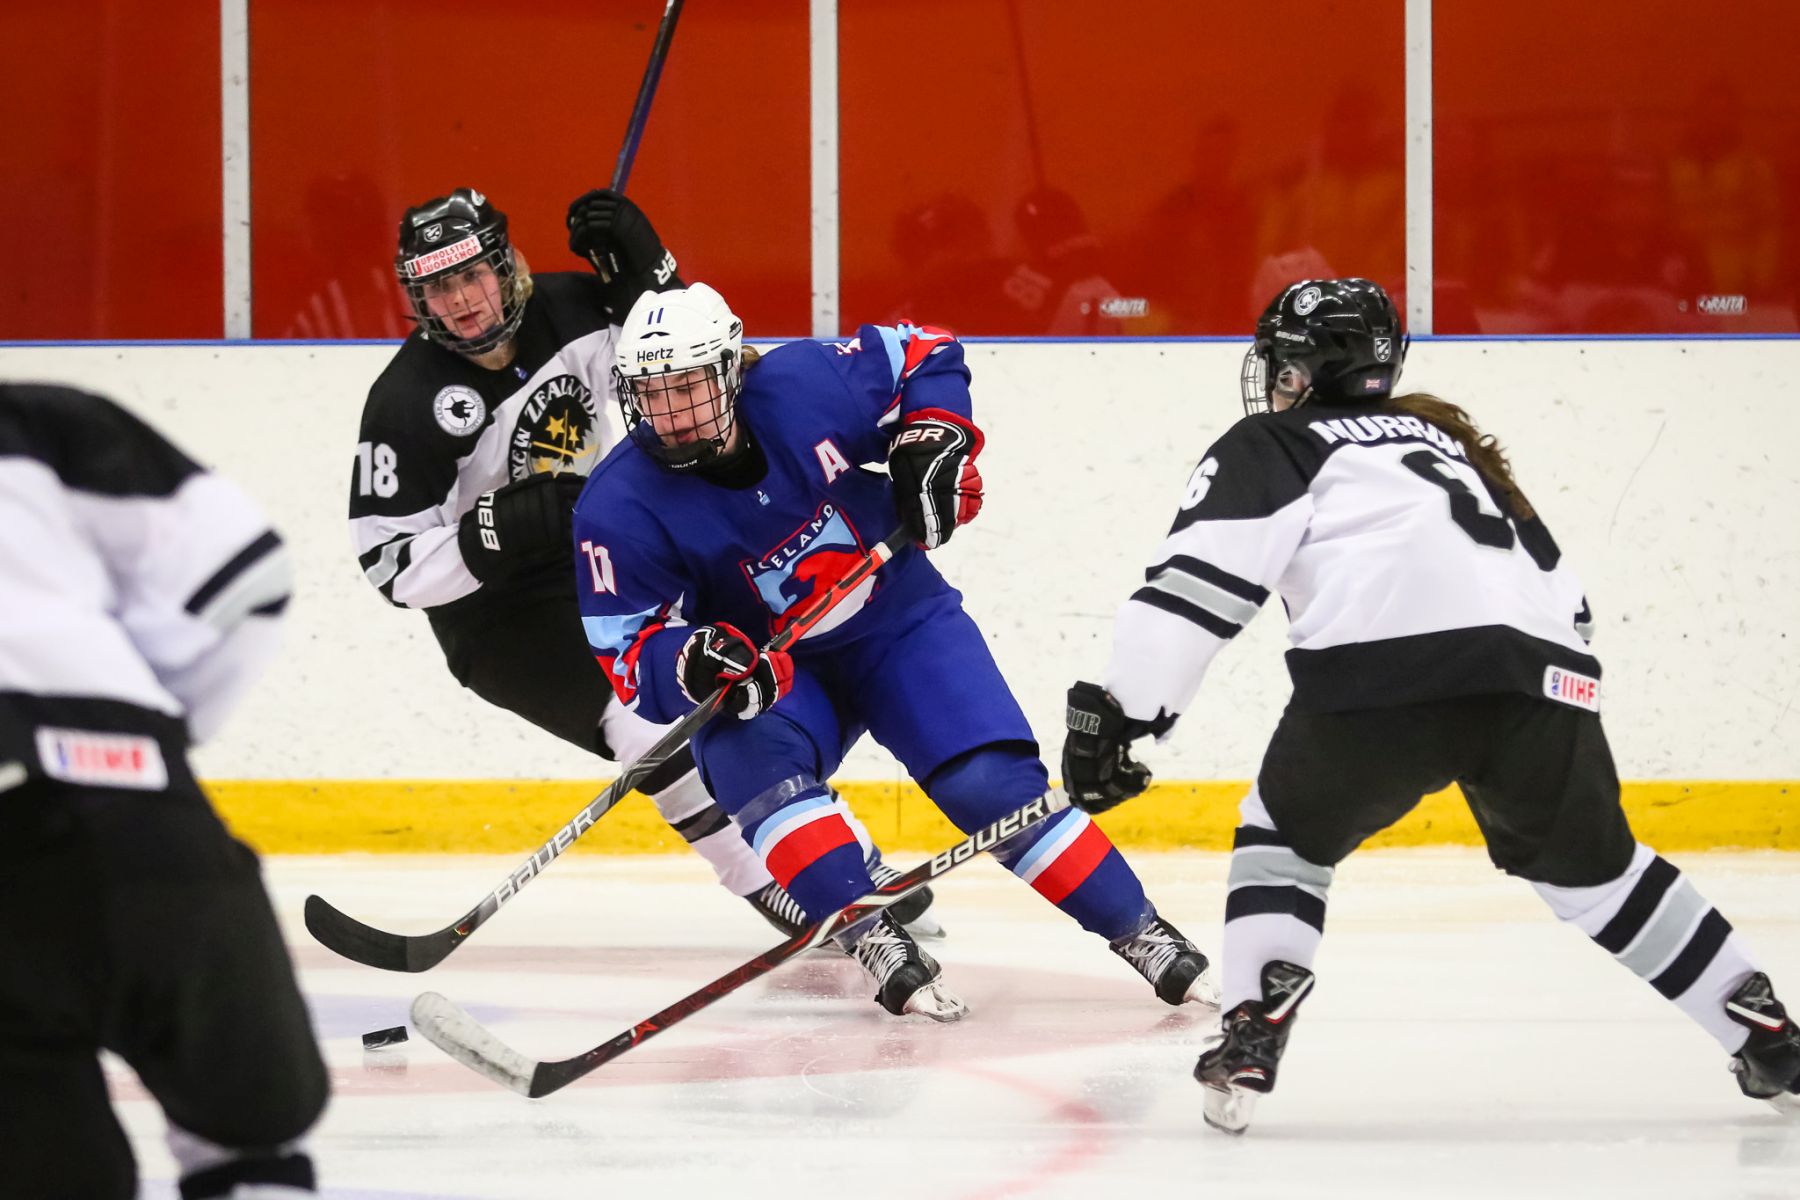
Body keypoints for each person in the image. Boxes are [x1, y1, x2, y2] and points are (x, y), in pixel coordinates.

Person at [1060, 277, 1800, 1133]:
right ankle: (1764, 1029)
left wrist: (1124, 715)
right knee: (1602, 876)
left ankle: (1255, 1026)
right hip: (1542, 681)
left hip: (1383, 682)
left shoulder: (1277, 442)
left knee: (1283, 841)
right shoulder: (1451, 445)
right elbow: (1571, 606)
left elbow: (1199, 587)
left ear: (1301, 369)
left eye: (1282, 362)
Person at [572, 281, 1219, 1020]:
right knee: (749, 765)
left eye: (687, 387)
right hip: (777, 669)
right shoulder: (616, 507)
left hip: (897, 623)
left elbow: (927, 352)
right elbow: (629, 652)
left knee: (990, 786)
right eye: (651, 394)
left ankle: (1141, 932)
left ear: (731, 369)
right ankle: (871, 935)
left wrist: (932, 441)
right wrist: (693, 661)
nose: (671, 415)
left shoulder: (806, 383)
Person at [349, 187, 937, 938]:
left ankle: (843, 863)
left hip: (604, 553)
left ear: (506, 263)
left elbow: (691, 373)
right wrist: (493, 531)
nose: (461, 301)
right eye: (438, 287)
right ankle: (772, 882)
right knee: (645, 728)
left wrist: (650, 270)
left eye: (472, 276)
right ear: (416, 298)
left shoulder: (570, 308)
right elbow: (389, 563)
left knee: (730, 686)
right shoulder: (406, 403)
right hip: (500, 619)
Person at [0, 384, 328, 1196]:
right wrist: (147, 738)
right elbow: (249, 580)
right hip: (143, 815)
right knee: (254, 1138)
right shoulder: (39, 424)